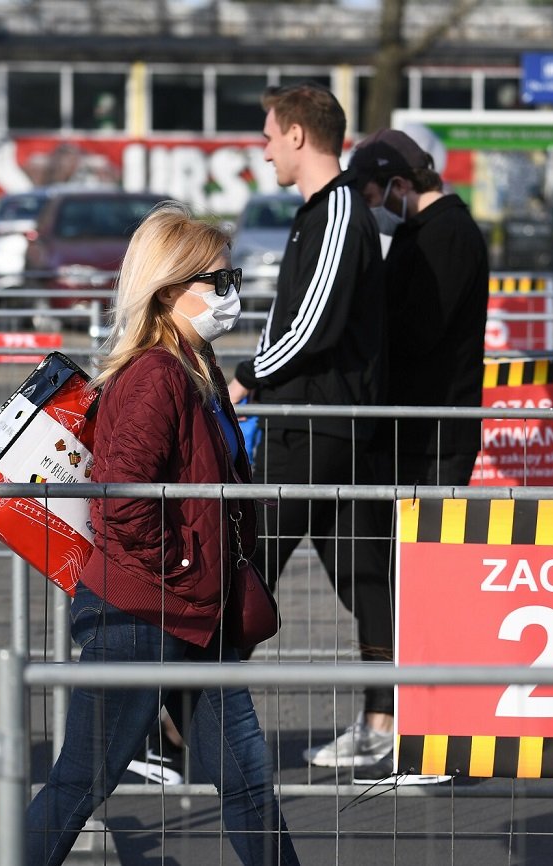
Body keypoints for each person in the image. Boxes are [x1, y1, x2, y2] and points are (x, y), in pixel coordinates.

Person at [25, 203, 299, 866]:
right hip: (141, 611)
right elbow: (122, 499)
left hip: (189, 613)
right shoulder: (155, 375)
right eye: (219, 280)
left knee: (248, 783)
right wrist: (180, 566)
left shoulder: (192, 369)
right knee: (80, 783)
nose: (231, 293)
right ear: (170, 288)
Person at [224, 84, 388, 770]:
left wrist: (245, 381)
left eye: (267, 135)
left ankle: (176, 728)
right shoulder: (320, 212)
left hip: (314, 426)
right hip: (316, 422)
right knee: (363, 575)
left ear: (297, 135)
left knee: (250, 566)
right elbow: (295, 322)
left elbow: (311, 325)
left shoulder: (338, 208)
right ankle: (386, 719)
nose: (262, 149)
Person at [342, 129, 489, 781]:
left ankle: (432, 732)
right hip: (415, 431)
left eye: (376, 194)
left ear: (401, 185)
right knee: (401, 576)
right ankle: (396, 719)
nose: (374, 209)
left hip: (434, 435)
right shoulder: (419, 236)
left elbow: (419, 332)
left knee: (424, 582)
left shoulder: (447, 236)